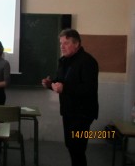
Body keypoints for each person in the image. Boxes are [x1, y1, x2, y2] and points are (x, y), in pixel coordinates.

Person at [42, 29, 99, 166]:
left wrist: (64, 88)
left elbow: (89, 88)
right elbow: (60, 82)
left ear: (77, 43)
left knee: (77, 148)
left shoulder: (88, 62)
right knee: (71, 146)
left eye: (66, 43)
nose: (62, 46)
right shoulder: (64, 61)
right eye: (61, 43)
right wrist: (50, 84)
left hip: (82, 113)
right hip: (68, 111)